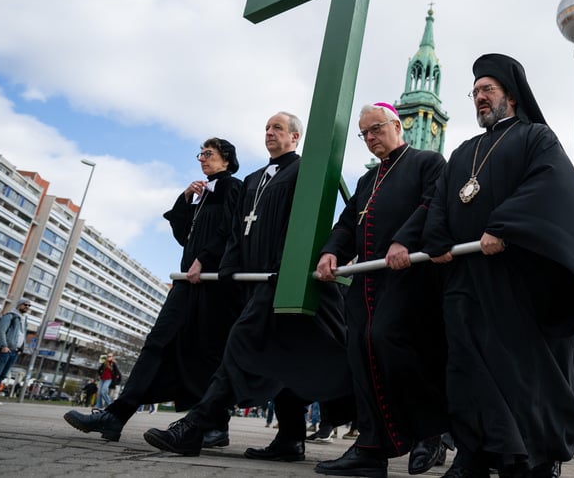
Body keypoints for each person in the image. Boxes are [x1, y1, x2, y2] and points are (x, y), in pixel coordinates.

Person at [422, 53, 574, 478]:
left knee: (519, 371)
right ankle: (472, 454)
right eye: (475, 91)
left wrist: (502, 226)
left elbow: (549, 186)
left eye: (487, 89)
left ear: (510, 95)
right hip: (466, 277)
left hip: (517, 277)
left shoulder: (536, 138)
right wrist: (436, 237)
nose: (479, 97)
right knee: (464, 366)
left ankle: (532, 458)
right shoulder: (463, 151)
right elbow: (440, 198)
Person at [142, 111, 353, 460]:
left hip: (279, 279)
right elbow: (236, 229)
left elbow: (301, 226)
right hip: (252, 284)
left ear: (295, 137)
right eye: (267, 127)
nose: (269, 132)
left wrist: (284, 267)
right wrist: (229, 267)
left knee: (238, 346)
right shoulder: (253, 179)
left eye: (278, 128)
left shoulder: (305, 172)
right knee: (283, 358)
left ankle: (194, 426)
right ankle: (290, 440)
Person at [64, 137, 244, 443]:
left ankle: (216, 425)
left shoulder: (232, 187)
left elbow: (231, 229)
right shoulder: (203, 194)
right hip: (187, 281)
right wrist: (185, 198)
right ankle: (116, 415)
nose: (202, 158)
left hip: (211, 282)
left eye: (208, 153)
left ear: (226, 159)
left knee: (206, 352)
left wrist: (205, 258)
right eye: (200, 154)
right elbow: (183, 235)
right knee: (158, 343)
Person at [314, 102, 449, 478]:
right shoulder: (366, 180)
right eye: (365, 134)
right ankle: (371, 449)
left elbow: (432, 204)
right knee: (361, 354)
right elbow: (347, 224)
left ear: (397, 125)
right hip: (367, 281)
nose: (371, 137)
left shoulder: (428, 162)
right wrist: (331, 252)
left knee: (391, 343)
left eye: (376, 129)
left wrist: (404, 239)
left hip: (409, 278)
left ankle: (430, 433)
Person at [0, 297, 31, 404]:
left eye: (29, 305)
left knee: (2, 376)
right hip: (4, 349)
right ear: (19, 305)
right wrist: (4, 346)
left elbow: (22, 335)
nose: (27, 307)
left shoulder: (23, 319)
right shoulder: (9, 316)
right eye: (25, 304)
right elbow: (1, 332)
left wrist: (21, 348)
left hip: (14, 351)